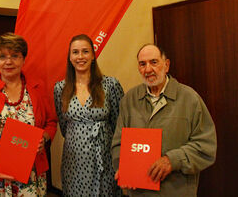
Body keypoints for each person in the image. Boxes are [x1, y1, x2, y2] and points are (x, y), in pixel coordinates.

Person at [111, 44, 217, 196]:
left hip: (176, 191)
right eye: (142, 64)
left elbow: (206, 147)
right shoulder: (129, 99)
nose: (148, 69)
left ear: (166, 65)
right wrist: (123, 168)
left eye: (154, 62)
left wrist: (172, 160)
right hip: (139, 192)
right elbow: (118, 143)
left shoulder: (190, 99)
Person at [0, 32, 57, 196]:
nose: (8, 61)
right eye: (3, 56)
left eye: (15, 56)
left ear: (23, 59)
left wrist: (44, 138)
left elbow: (51, 123)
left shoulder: (37, 87)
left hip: (32, 174)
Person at [54, 34, 124, 196]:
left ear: (93, 55)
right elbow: (65, 127)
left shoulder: (110, 85)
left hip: (104, 159)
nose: (80, 56)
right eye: (75, 52)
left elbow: (119, 126)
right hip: (74, 161)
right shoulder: (60, 88)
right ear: (70, 57)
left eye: (85, 51)